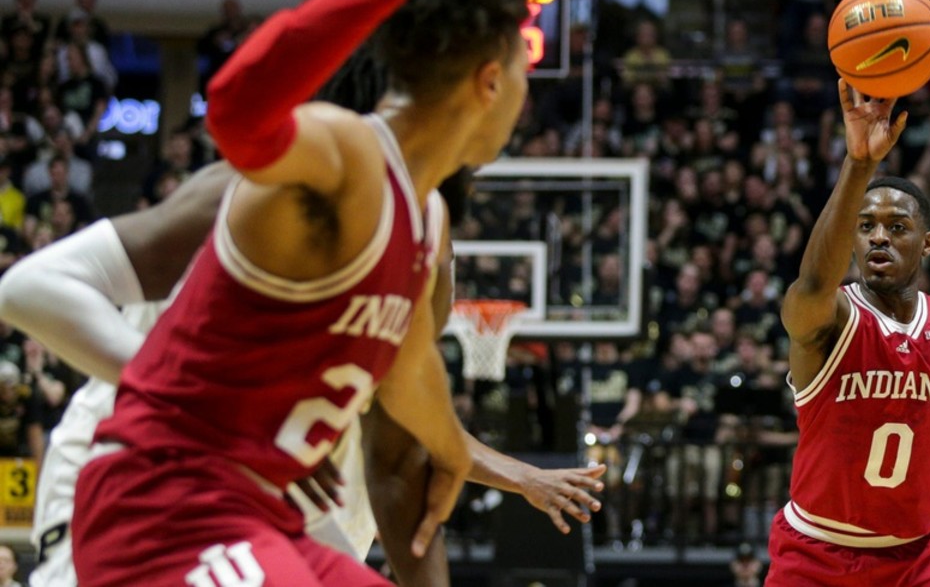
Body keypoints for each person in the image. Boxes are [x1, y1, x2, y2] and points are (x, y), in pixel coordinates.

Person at [67, 0, 523, 587]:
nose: (523, 97)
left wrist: (451, 450)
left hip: (258, 516)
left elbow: (411, 375)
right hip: (161, 498)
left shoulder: (427, 216)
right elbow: (236, 108)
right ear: (488, 82)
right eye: (520, 70)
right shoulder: (345, 153)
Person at [0, 159, 605, 587]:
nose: (436, 278)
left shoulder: (401, 279)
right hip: (144, 479)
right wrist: (219, 412)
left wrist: (523, 476)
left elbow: (408, 438)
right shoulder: (256, 200)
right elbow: (30, 289)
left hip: (275, 510)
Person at [767, 80, 930, 586]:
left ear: (926, 244)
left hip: (916, 557)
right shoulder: (833, 317)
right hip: (815, 553)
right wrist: (859, 164)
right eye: (866, 226)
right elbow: (813, 282)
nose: (879, 235)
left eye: (896, 226)